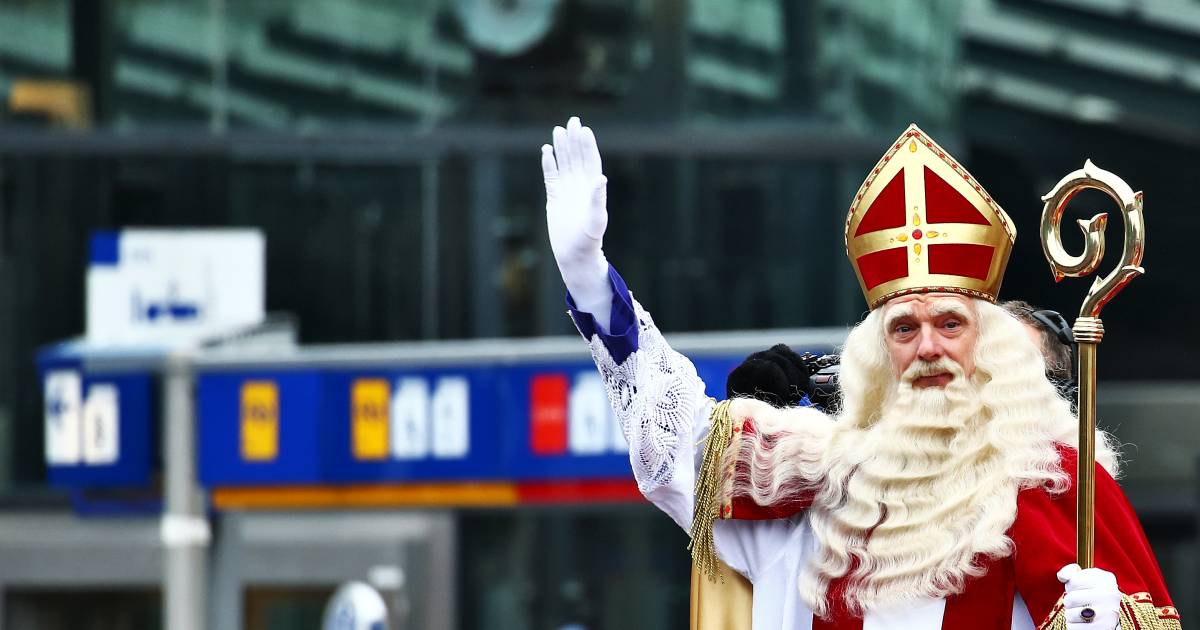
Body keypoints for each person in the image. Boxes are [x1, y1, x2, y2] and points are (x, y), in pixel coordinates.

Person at [541, 117, 1179, 629]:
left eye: (950, 324)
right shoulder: (822, 484)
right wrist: (589, 278)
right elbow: (679, 442)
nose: (927, 347)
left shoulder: (1056, 481)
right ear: (879, 357)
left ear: (990, 348)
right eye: (904, 329)